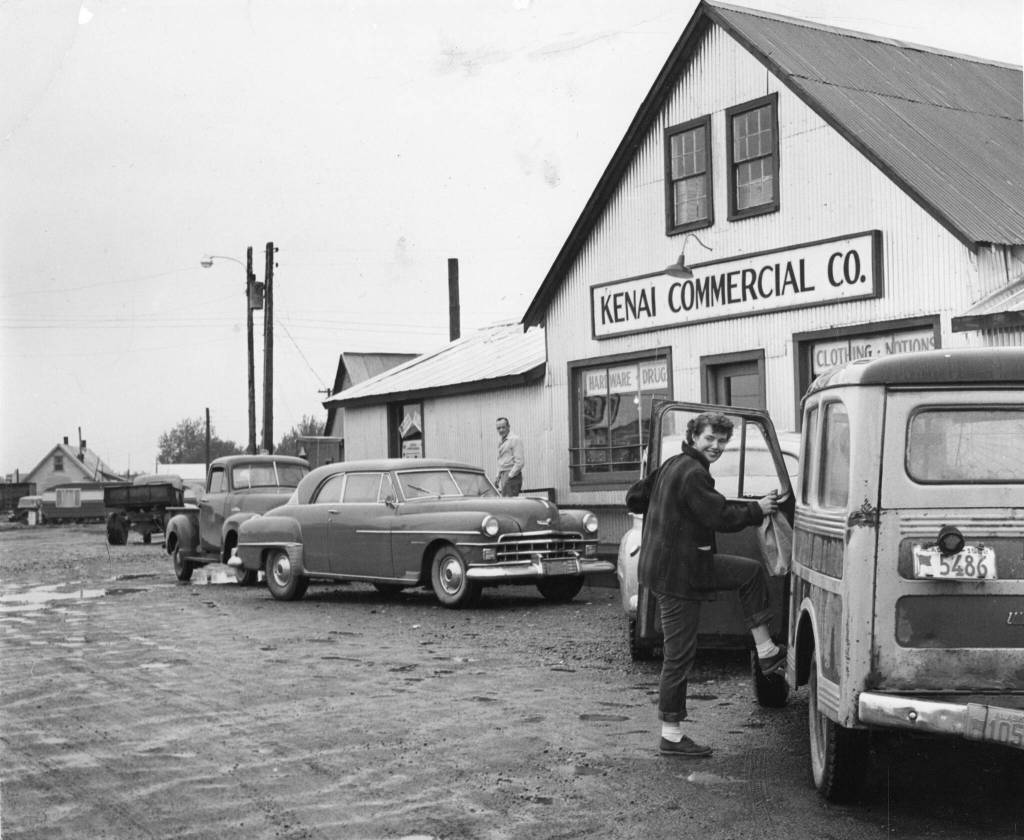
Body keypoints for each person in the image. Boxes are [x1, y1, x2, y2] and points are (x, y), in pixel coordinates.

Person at [625, 411, 784, 758]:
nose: (716, 446)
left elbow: (634, 497)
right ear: (694, 436)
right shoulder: (693, 473)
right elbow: (719, 515)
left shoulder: (673, 464)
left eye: (722, 441)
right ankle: (671, 734)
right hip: (679, 575)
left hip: (682, 565)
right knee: (678, 656)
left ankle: (767, 651)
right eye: (710, 438)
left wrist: (666, 510)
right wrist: (756, 509)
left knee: (750, 573)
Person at [495, 417, 524, 497]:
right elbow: (501, 460)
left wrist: (510, 476)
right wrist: (498, 477)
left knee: (509, 503)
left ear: (508, 427)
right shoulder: (501, 441)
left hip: (512, 476)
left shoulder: (515, 439)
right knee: (504, 501)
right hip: (504, 475)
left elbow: (520, 462)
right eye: (498, 428)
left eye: (503, 427)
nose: (501, 430)